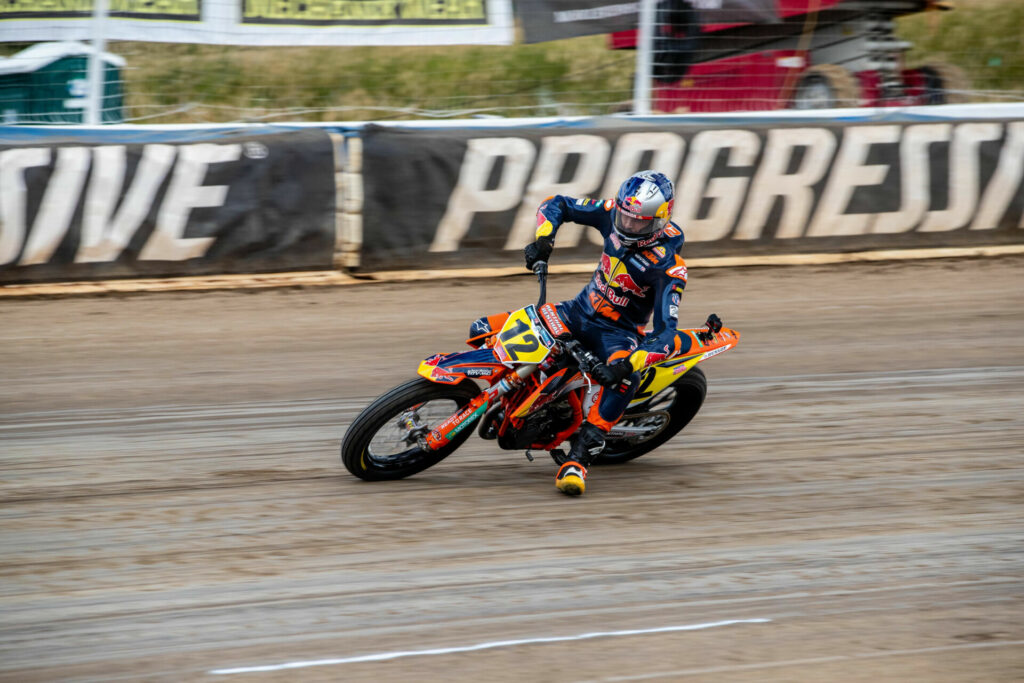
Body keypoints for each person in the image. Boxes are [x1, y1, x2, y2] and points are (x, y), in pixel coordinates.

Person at [468, 170, 693, 496]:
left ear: (659, 220)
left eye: (638, 222)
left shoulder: (669, 267)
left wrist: (626, 364)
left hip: (617, 333)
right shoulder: (612, 213)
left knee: (625, 380)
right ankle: (518, 396)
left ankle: (579, 458)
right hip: (575, 311)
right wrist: (544, 239)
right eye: (624, 216)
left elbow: (666, 333)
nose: (627, 225)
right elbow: (556, 203)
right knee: (482, 329)